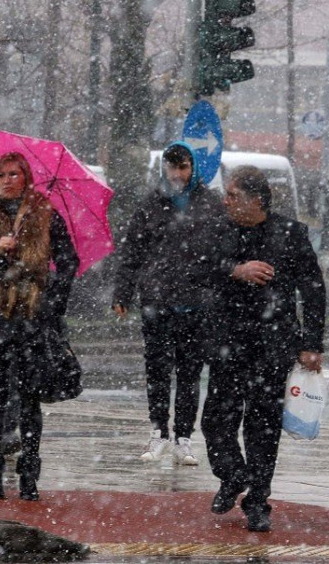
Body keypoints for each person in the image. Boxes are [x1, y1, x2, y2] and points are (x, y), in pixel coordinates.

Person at [201, 165, 326, 533]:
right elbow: (198, 268)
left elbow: (313, 290)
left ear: (257, 200)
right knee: (216, 421)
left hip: (272, 344)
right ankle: (232, 475)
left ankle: (258, 500)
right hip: (227, 341)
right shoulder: (219, 229)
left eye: (233, 194)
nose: (225, 200)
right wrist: (234, 269)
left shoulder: (290, 233)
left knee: (263, 426)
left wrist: (312, 344)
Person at [0, 152, 78, 501]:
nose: (8, 180)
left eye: (15, 174)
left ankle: (29, 475)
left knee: (29, 399)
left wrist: (50, 298)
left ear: (26, 178)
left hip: (31, 320)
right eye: (2, 175)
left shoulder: (45, 215)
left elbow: (69, 261)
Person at [112, 142, 223, 465]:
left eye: (183, 167)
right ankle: (159, 431)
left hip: (196, 304)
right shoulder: (151, 204)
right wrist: (123, 293)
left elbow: (222, 252)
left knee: (189, 374)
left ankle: (183, 438)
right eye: (171, 167)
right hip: (157, 302)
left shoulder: (210, 204)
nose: (176, 174)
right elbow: (131, 252)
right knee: (158, 371)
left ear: (193, 168)